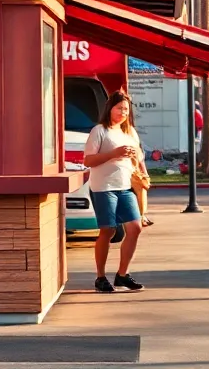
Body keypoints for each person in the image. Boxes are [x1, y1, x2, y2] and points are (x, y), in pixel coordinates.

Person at [83, 92, 144, 293]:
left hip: (125, 187)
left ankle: (122, 275)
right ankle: (100, 277)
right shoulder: (99, 131)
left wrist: (136, 157)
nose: (123, 112)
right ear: (110, 109)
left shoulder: (130, 132)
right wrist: (113, 154)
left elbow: (139, 157)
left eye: (126, 109)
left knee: (135, 228)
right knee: (108, 230)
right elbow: (88, 161)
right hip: (103, 188)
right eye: (119, 108)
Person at [123, 100, 153, 228]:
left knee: (142, 187)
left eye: (126, 110)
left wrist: (143, 171)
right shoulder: (113, 130)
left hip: (134, 168)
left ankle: (141, 215)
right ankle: (139, 217)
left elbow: (139, 153)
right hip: (123, 169)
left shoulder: (131, 130)